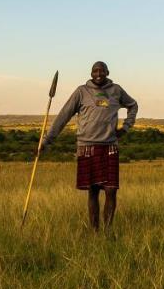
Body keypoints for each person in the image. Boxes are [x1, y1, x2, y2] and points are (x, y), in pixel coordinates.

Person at [38, 61, 138, 230]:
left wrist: (126, 127)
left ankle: (107, 232)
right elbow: (63, 116)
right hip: (87, 146)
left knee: (111, 190)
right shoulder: (81, 92)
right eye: (95, 71)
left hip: (109, 146)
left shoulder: (116, 90)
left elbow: (133, 105)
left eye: (101, 70)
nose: (98, 74)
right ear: (91, 73)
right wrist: (47, 140)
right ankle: (94, 232)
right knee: (92, 191)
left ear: (107, 72)